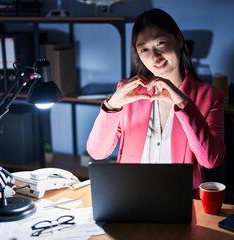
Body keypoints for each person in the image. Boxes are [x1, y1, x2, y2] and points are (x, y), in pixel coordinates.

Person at [87, 8, 226, 195]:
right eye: (144, 49)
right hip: (130, 195)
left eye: (161, 43)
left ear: (178, 40)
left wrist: (183, 104)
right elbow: (97, 152)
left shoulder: (209, 96)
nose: (154, 56)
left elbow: (211, 160)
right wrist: (112, 105)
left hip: (181, 199)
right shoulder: (127, 92)